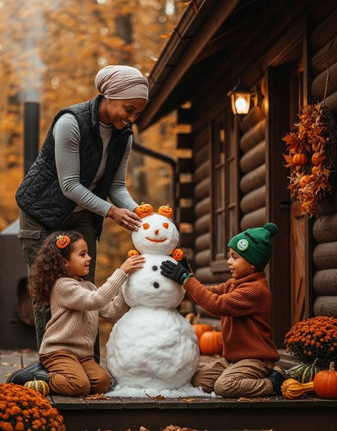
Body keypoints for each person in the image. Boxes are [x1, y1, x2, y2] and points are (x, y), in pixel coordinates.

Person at [15, 65, 148, 357]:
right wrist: (112, 212)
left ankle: (90, 363)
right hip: (42, 214)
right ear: (109, 97)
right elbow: (69, 185)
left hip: (81, 217)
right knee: (45, 295)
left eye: (137, 113)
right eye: (129, 109)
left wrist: (144, 215)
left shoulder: (124, 136)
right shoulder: (70, 123)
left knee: (87, 290)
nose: (131, 118)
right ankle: (51, 366)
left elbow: (117, 186)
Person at [8, 230, 145, 396]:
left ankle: (68, 376)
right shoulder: (62, 286)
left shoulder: (88, 287)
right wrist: (121, 272)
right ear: (65, 262)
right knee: (79, 386)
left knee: (103, 383)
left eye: (87, 253)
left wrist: (127, 283)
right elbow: (96, 300)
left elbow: (112, 312)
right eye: (82, 254)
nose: (89, 258)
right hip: (58, 352)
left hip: (83, 356)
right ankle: (41, 376)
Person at [160, 223, 288, 397]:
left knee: (224, 386)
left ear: (252, 263)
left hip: (255, 359)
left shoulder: (255, 290)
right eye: (230, 256)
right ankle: (245, 377)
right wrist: (186, 272)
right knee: (199, 381)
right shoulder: (233, 284)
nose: (229, 262)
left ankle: (272, 383)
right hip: (232, 360)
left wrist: (185, 279)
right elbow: (207, 293)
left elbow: (215, 304)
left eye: (235, 257)